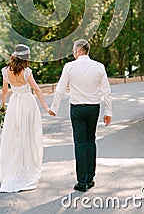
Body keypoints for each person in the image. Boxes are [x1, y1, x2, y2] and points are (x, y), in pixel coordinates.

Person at [50, 39, 112, 192]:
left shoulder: (69, 67)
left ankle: (82, 181)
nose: (73, 53)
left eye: (73, 50)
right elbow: (106, 91)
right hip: (93, 108)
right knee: (91, 140)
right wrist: (108, 112)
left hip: (77, 109)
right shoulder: (99, 67)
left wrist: (54, 108)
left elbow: (60, 88)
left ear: (78, 51)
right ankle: (90, 178)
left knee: (80, 142)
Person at [0, 44, 54, 193]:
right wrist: (46, 108)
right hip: (28, 104)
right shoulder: (26, 72)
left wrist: (3, 106)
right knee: (29, 135)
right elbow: (36, 89)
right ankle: (26, 167)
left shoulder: (5, 71)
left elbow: (5, 90)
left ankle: (15, 168)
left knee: (15, 136)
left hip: (14, 104)